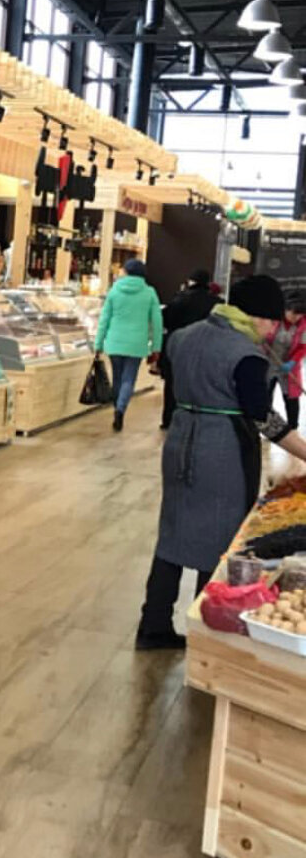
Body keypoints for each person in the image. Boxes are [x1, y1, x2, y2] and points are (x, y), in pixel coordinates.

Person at [135, 275, 306, 650]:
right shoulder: (246, 355)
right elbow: (263, 418)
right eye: (273, 321)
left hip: (180, 439)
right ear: (257, 316)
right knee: (220, 540)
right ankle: (209, 631)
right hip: (221, 448)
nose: (274, 330)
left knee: (172, 533)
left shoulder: (183, 337)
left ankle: (153, 625)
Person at [93, 258, 162, 433]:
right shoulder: (149, 293)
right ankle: (120, 409)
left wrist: (98, 343)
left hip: (114, 341)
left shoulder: (114, 291)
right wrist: (156, 347)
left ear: (126, 272)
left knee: (117, 377)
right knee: (128, 379)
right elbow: (157, 322)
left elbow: (104, 319)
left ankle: (117, 406)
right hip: (137, 344)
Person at [160, 268, 217, 430]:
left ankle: (168, 419)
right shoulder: (215, 303)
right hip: (204, 348)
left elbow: (166, 319)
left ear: (192, 281)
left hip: (178, 346)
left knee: (172, 384)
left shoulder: (180, 298)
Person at [273, 293, 306, 431]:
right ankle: (263, 428)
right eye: (293, 314)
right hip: (269, 362)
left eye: (299, 315)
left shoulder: (304, 325)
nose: (296, 318)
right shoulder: (274, 319)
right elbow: (263, 337)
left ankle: (292, 429)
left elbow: (303, 346)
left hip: (289, 365)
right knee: (264, 396)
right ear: (286, 310)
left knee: (291, 398)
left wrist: (292, 361)